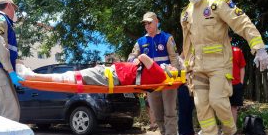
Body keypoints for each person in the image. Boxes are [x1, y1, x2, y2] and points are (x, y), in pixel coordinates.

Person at [181, 0, 268, 135]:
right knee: (201, 106)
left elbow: (241, 22)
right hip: (198, 67)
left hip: (219, 64)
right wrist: (186, 66)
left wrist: (259, 48)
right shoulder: (186, 13)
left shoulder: (218, 3)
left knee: (217, 100)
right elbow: (187, 44)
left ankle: (230, 131)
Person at [128, 12, 180, 135]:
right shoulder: (140, 42)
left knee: (170, 110)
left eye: (149, 22)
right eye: (145, 23)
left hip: (167, 81)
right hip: (151, 83)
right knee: (157, 113)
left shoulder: (167, 38)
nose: (147, 26)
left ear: (157, 21)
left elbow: (174, 59)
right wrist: (135, 60)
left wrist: (175, 74)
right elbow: (131, 58)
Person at [16, 54, 167, 86]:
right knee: (71, 77)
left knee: (71, 77)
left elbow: (143, 56)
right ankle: (31, 75)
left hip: (111, 76)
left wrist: (138, 59)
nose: (170, 65)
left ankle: (31, 75)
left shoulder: (161, 74)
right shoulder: (158, 75)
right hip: (110, 74)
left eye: (173, 67)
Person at [229, 35, 246, 126]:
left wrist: (241, 82)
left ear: (230, 38)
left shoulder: (237, 51)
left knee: (234, 107)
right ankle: (226, 131)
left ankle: (233, 130)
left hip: (236, 83)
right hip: (223, 83)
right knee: (223, 107)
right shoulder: (218, 52)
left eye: (227, 37)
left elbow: (242, 67)